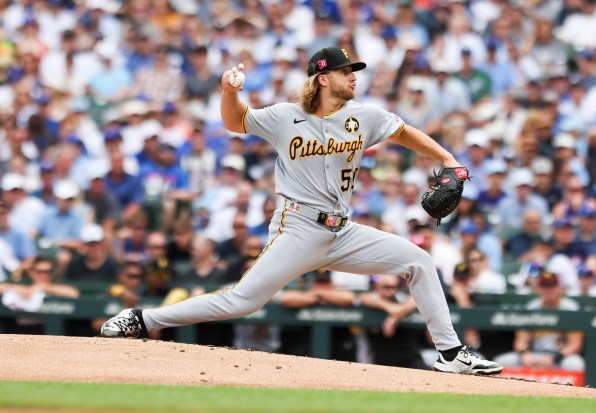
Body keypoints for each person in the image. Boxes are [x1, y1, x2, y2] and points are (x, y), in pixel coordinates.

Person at [101, 47, 502, 375]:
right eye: (347, 72)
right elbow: (235, 121)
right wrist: (228, 90)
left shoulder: (364, 115)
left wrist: (447, 157)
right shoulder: (284, 116)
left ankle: (450, 354)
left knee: (419, 261)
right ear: (323, 78)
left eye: (355, 72)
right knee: (243, 301)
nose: (354, 78)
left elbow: (403, 132)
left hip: (343, 232)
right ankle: (143, 318)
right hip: (298, 228)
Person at [493, 271, 585, 371]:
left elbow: (575, 345)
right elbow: (521, 341)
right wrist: (524, 355)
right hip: (534, 355)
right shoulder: (531, 308)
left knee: (575, 364)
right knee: (500, 362)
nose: (548, 290)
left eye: (551, 286)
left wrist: (554, 358)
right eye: (544, 286)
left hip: (560, 357)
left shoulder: (570, 309)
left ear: (559, 288)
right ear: (538, 289)